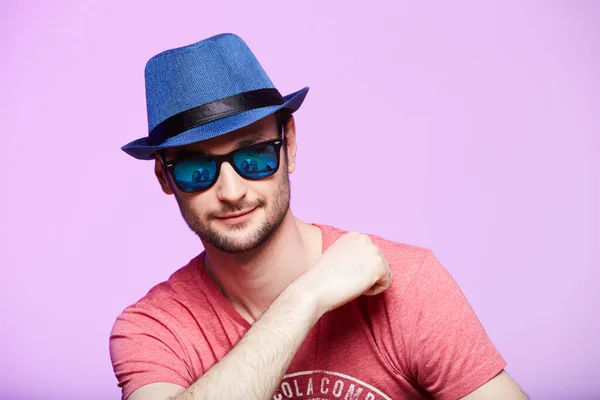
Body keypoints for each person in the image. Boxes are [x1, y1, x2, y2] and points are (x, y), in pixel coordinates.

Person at [110, 33, 528, 400]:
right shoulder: (152, 329)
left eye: (254, 155)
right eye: (195, 169)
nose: (232, 191)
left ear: (288, 144)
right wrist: (306, 297)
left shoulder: (405, 282)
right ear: (165, 177)